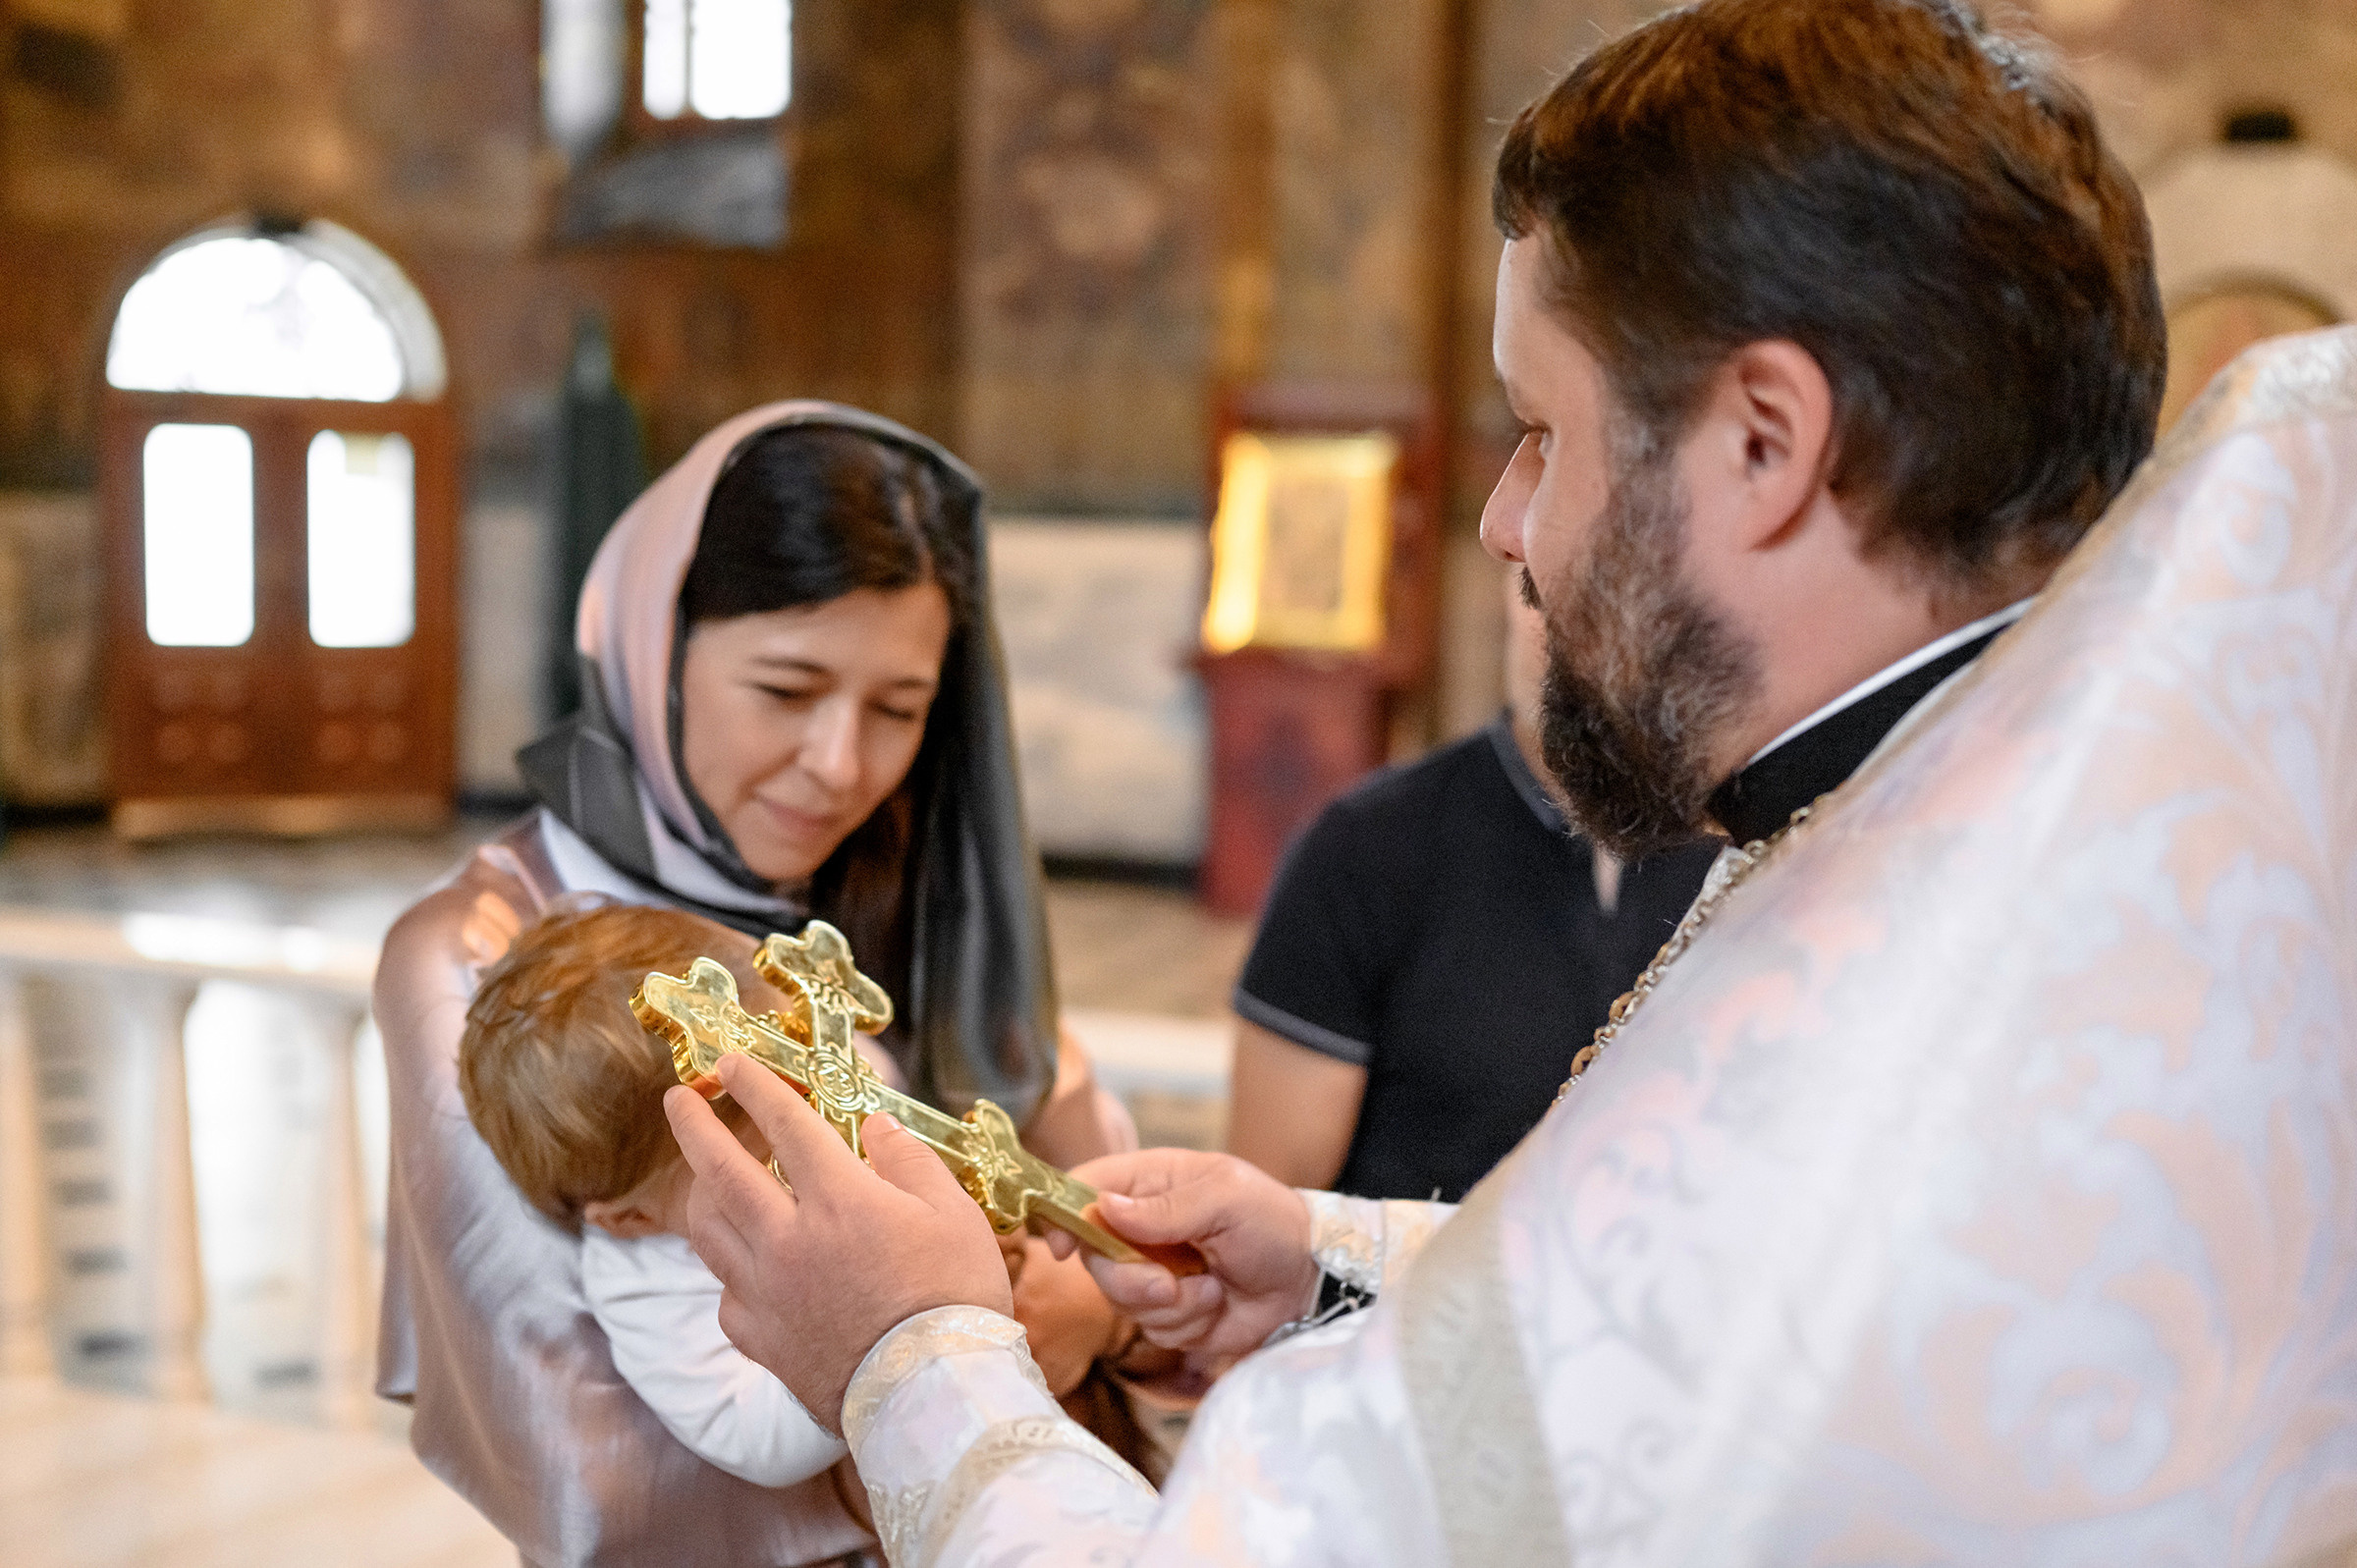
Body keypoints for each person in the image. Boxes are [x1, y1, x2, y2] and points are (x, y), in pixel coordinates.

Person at [660, 3, 2356, 1560]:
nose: (1503, 523)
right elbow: (1692, 1343)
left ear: (1765, 442)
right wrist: (1335, 1273)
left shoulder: (1902, 988)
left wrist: (907, 1351)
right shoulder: (2040, 847)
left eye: (1542, 431)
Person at [372, 402, 1132, 1568]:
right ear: (654, 647)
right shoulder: (484, 951)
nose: (841, 766)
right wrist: (959, 1352)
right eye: (786, 690)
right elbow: (591, 1453)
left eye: (899, 711)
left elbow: (1076, 1193)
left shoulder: (914, 892)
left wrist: (1101, 1307)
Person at [1227, 571, 1718, 1201]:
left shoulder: (1747, 846)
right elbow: (1269, 1207)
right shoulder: (1368, 846)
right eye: (1547, 578)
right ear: (1510, 586)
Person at [458, 902, 884, 1493]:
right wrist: (879, 1335)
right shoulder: (647, 1286)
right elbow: (748, 1431)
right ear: (633, 1217)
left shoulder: (813, 1064)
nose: (817, 1148)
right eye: (763, 1165)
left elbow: (882, 1089)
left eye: (806, 1095)